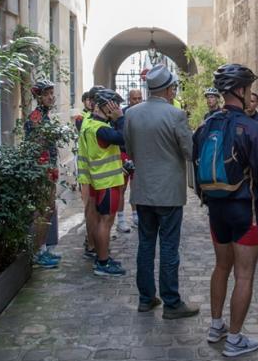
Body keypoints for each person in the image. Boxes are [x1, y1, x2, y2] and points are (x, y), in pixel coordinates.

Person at [193, 63, 258, 358]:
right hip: (245, 210)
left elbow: (196, 167)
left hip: (216, 211)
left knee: (221, 267)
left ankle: (216, 326)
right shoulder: (252, 128)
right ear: (242, 91)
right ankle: (234, 340)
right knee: (244, 275)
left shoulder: (206, 125)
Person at [124, 64, 198, 318]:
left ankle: (146, 298)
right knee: (168, 247)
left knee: (145, 245)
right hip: (168, 192)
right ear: (167, 89)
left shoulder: (132, 114)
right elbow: (189, 152)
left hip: (143, 191)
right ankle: (171, 302)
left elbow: (131, 151)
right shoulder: (175, 115)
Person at [82, 88, 127, 277]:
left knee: (103, 221)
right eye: (114, 105)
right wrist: (120, 118)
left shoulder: (89, 124)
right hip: (107, 181)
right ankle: (102, 262)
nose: (117, 108)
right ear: (106, 106)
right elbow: (124, 138)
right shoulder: (101, 129)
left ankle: (103, 257)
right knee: (106, 222)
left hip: (97, 181)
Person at [25, 79, 61, 269]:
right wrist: (46, 171)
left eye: (51, 93)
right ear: (38, 96)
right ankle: (38, 253)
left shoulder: (44, 116)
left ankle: (44, 248)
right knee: (43, 211)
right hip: (42, 172)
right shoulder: (37, 117)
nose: (51, 97)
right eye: (46, 94)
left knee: (48, 210)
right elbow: (37, 148)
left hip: (48, 170)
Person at [75, 88, 97, 256]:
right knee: (90, 208)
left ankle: (94, 240)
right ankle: (91, 242)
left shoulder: (90, 119)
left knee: (95, 210)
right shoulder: (84, 120)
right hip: (90, 173)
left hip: (95, 173)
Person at [118, 88, 143, 231]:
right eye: (134, 98)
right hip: (124, 153)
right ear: (129, 99)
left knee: (136, 186)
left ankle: (136, 216)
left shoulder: (145, 113)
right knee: (122, 186)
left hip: (139, 154)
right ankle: (121, 218)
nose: (137, 101)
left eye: (140, 98)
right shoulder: (123, 114)